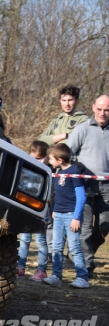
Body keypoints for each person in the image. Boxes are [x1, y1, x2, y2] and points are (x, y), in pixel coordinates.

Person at [38, 85, 88, 258]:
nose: (67, 104)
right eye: (64, 100)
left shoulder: (84, 120)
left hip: (72, 170)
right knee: (53, 209)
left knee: (73, 213)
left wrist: (61, 139)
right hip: (55, 170)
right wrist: (62, 136)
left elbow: (74, 143)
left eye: (70, 100)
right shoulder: (57, 120)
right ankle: (53, 251)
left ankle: (73, 253)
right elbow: (41, 139)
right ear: (60, 101)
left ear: (77, 101)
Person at [66, 94, 109, 279]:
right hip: (86, 184)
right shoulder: (82, 129)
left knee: (103, 227)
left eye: (107, 110)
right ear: (93, 107)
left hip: (107, 186)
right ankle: (86, 266)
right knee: (85, 229)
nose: (102, 113)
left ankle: (76, 253)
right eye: (99, 109)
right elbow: (67, 154)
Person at [42, 143, 89, 288]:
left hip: (71, 216)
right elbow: (58, 194)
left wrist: (76, 217)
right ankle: (56, 275)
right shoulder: (58, 173)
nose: (49, 161)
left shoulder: (74, 172)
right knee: (56, 246)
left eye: (51, 159)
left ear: (60, 160)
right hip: (59, 215)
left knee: (74, 247)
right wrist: (55, 209)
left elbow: (81, 197)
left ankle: (82, 278)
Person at [17, 141, 50, 281]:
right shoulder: (26, 167)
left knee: (41, 241)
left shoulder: (48, 172)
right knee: (24, 239)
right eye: (36, 158)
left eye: (42, 158)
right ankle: (20, 267)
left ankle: (41, 270)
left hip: (42, 210)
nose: (39, 161)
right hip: (27, 208)